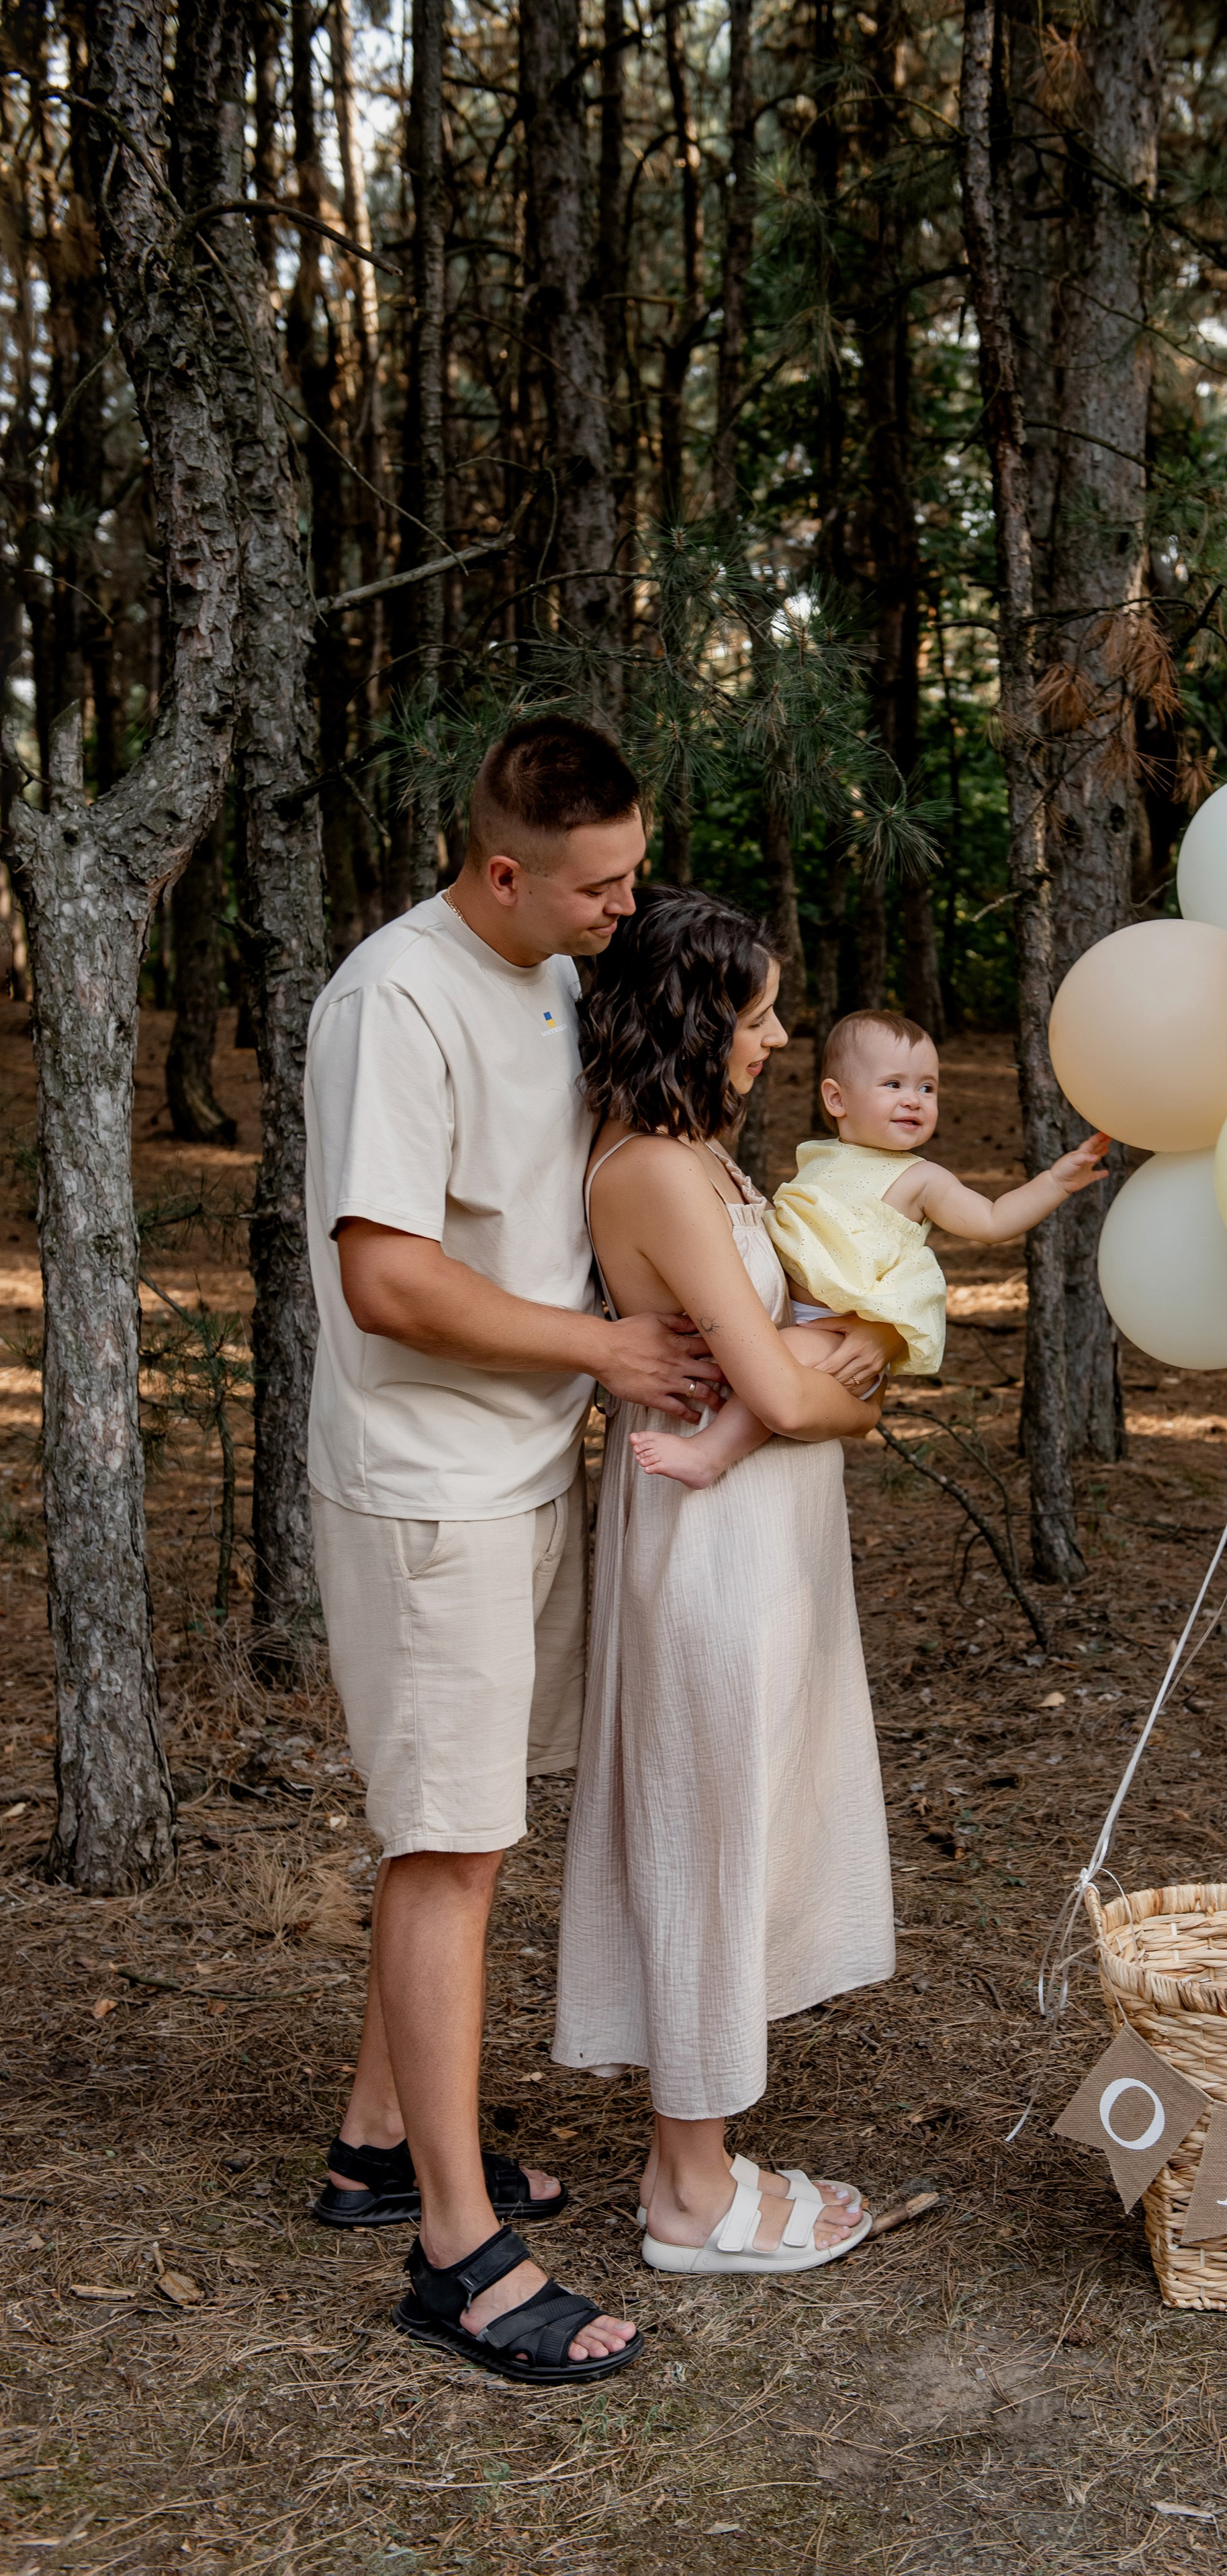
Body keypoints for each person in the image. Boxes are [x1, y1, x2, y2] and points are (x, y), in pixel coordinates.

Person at [303, 717, 727, 2386]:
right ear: (500, 870)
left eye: (631, 874)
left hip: (517, 1467)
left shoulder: (550, 969)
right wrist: (604, 1348)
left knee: (470, 1823)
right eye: (599, 883)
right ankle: (458, 2253)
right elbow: (388, 1278)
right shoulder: (393, 1001)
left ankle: (376, 2140)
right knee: (448, 1848)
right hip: (429, 1491)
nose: (625, 905)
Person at [552, 888, 898, 2275]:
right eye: (758, 1015)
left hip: (769, 1538)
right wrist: (850, 1382)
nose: (777, 1038)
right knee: (703, 1834)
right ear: (695, 1020)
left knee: (741, 1825)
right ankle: (688, 2198)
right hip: (709, 1547)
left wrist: (830, 1354)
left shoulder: (703, 1157)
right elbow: (785, 1392)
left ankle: (690, 2156)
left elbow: (786, 1352)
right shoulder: (649, 1169)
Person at [629, 1007, 1108, 1489]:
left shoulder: (921, 1178)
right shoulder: (822, 1157)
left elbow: (993, 1220)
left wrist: (1054, 1183)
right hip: (790, 1316)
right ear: (837, 1098)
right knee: (759, 1355)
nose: (914, 1100)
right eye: (893, 1084)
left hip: (838, 1335)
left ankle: (709, 1455)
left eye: (927, 1087)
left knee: (778, 1360)